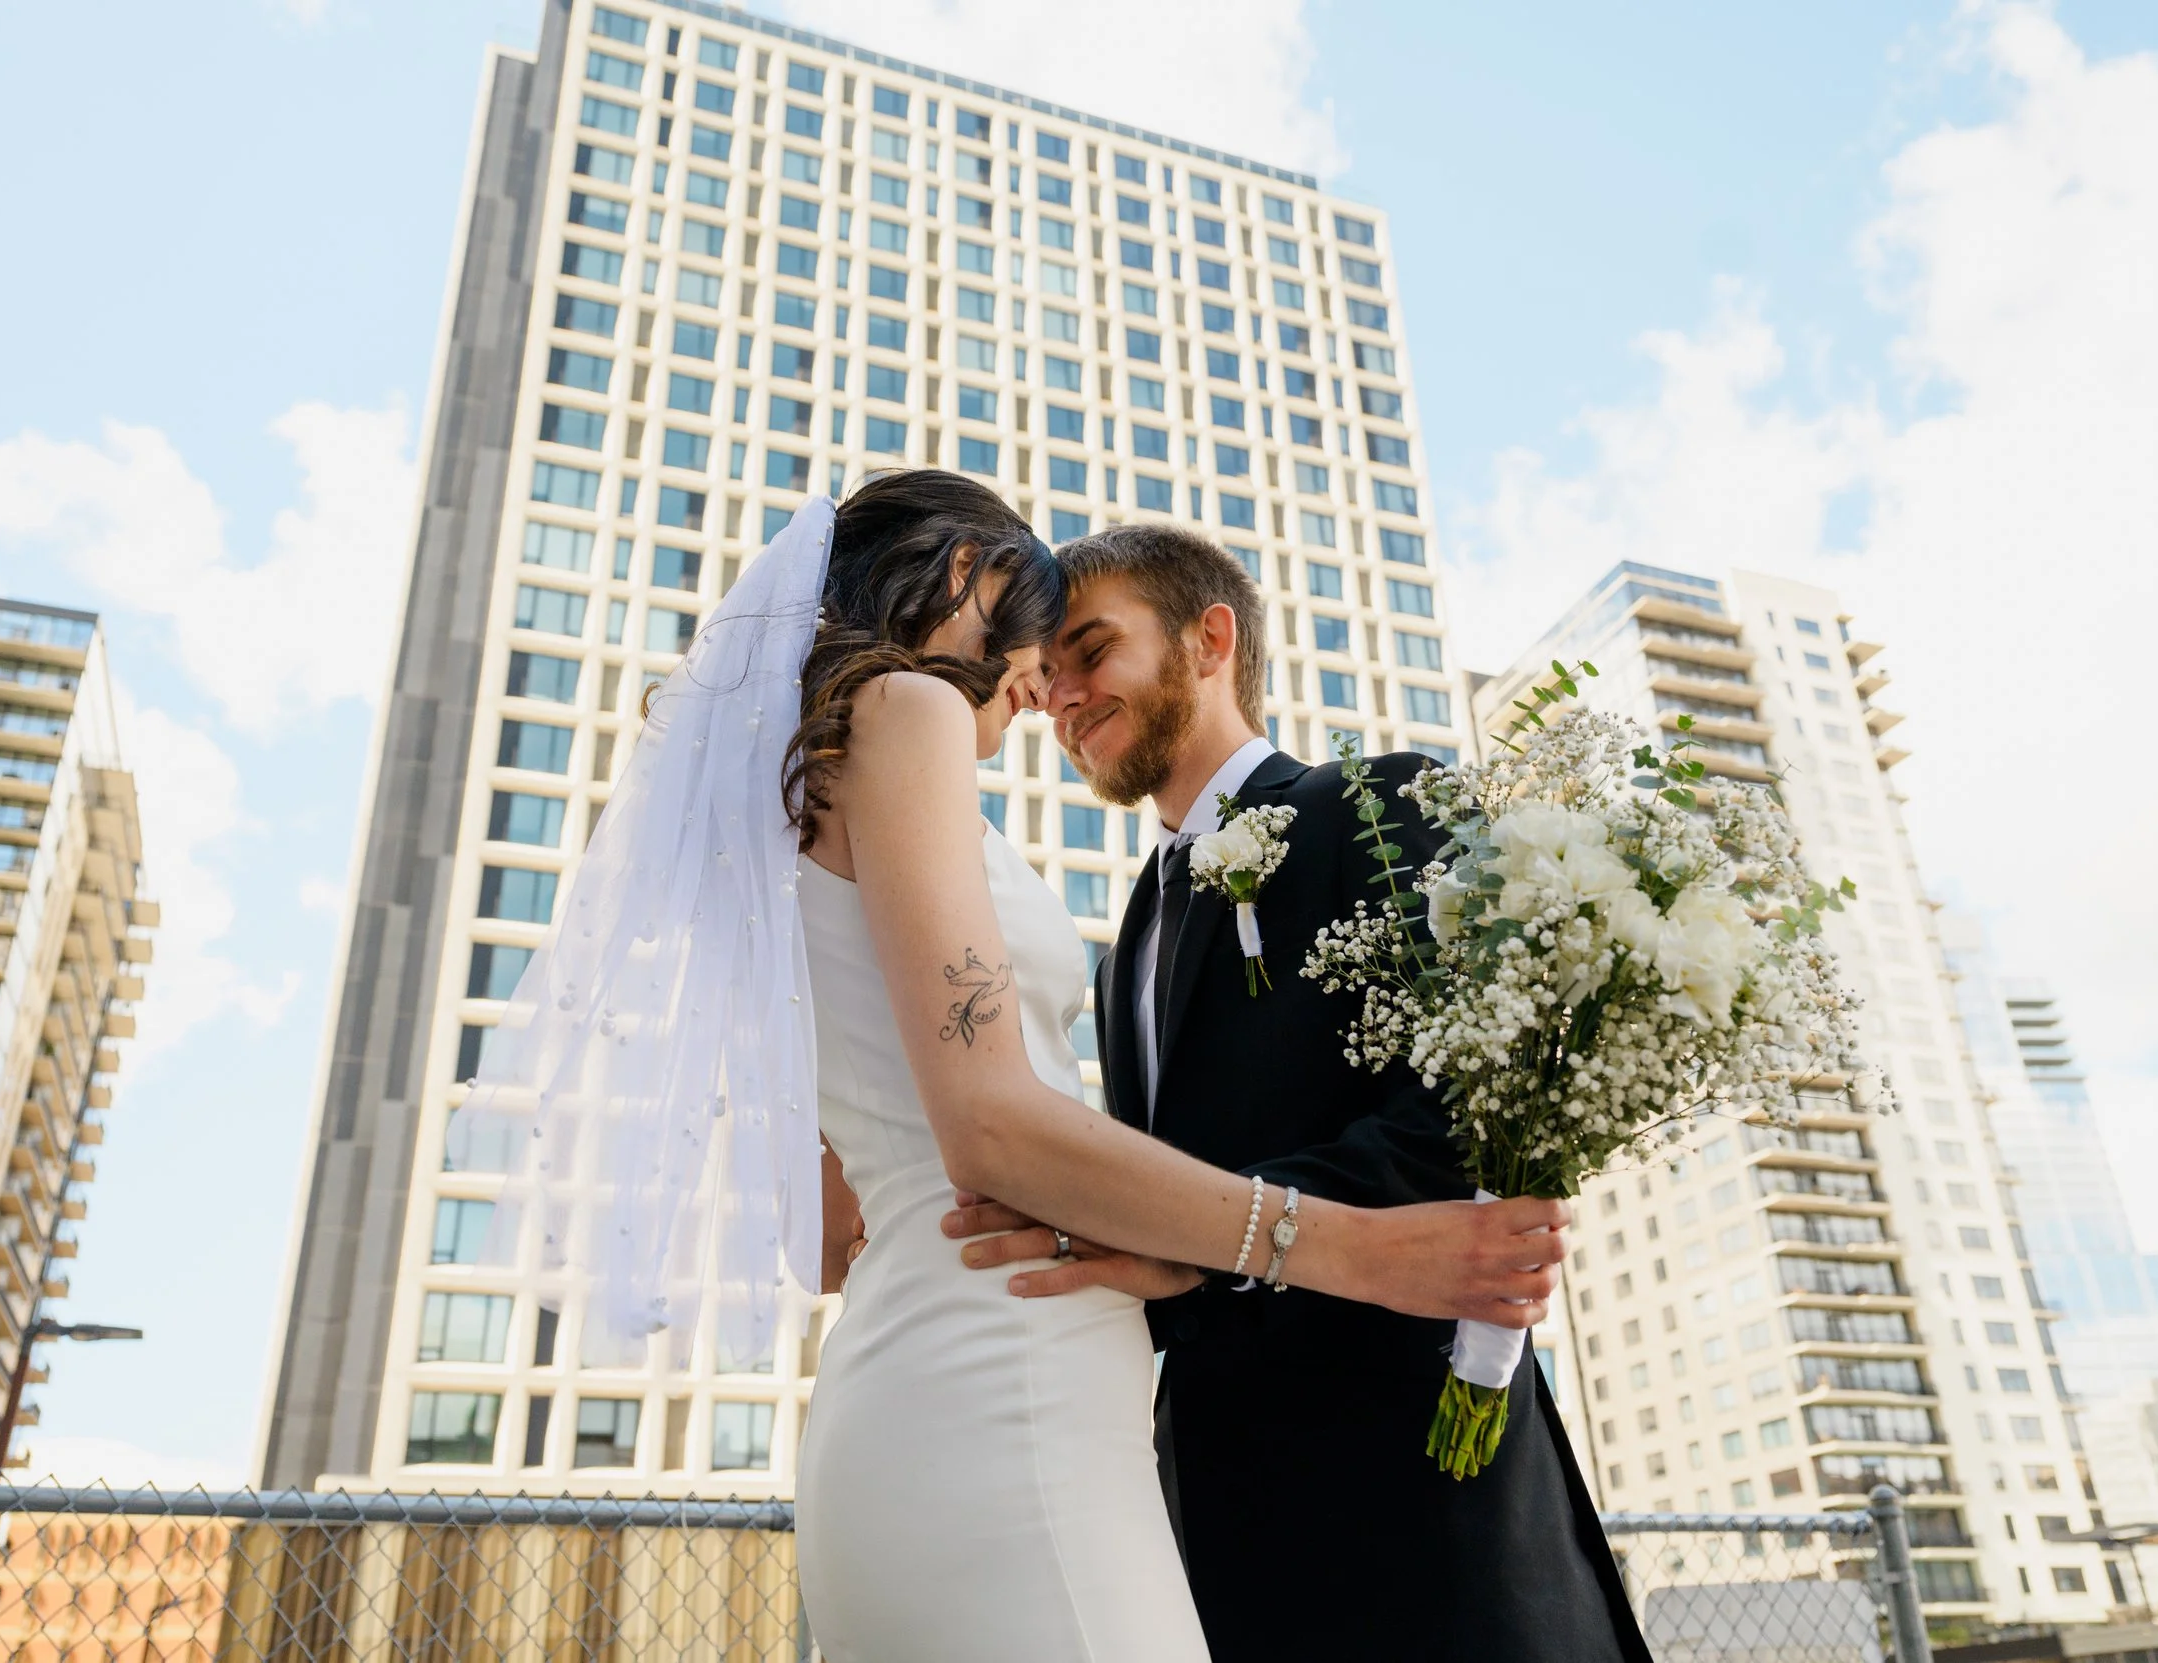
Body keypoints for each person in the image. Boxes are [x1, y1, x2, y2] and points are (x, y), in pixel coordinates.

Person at [451, 473, 1569, 1663]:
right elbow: (986, 1125)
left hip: (973, 1370)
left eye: (1076, 641)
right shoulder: (908, 711)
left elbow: (840, 1209)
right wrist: (1349, 1244)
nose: (1038, 680)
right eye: (1027, 623)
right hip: (1002, 1377)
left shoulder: (800, 786)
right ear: (956, 580)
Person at [945, 522, 1654, 1662]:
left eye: (1091, 650)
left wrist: (1203, 1245)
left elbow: (1461, 1114)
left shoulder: (1383, 805)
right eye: (1049, 669)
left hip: (1421, 1489)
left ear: (1208, 640)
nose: (1060, 696)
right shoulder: (1127, 938)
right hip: (1223, 1510)